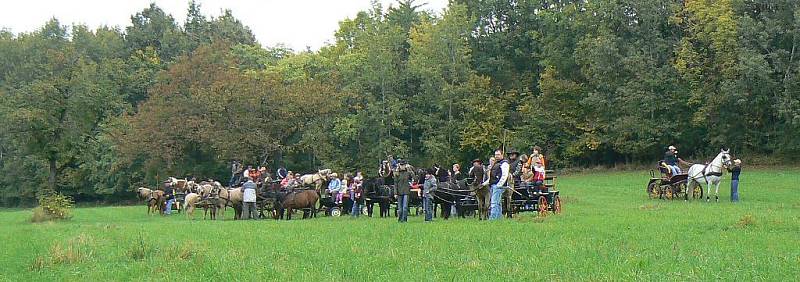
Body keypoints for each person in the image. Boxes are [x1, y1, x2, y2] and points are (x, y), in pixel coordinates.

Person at [482, 149, 509, 220]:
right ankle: (499, 218)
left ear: (502, 155)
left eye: (498, 154)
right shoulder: (496, 164)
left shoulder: (504, 163)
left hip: (499, 186)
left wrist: (499, 185)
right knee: (497, 203)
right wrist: (484, 184)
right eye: (495, 155)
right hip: (493, 185)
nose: (496, 156)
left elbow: (504, 175)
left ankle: (492, 219)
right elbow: (492, 177)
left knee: (494, 203)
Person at [394, 159, 415, 223]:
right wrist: (395, 193)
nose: (402, 166)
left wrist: (410, 171)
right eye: (401, 165)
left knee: (405, 207)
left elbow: (415, 178)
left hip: (406, 192)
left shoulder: (408, 173)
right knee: (400, 209)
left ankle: (404, 220)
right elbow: (395, 184)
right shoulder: (397, 173)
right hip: (399, 192)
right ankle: (400, 220)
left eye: (403, 165)